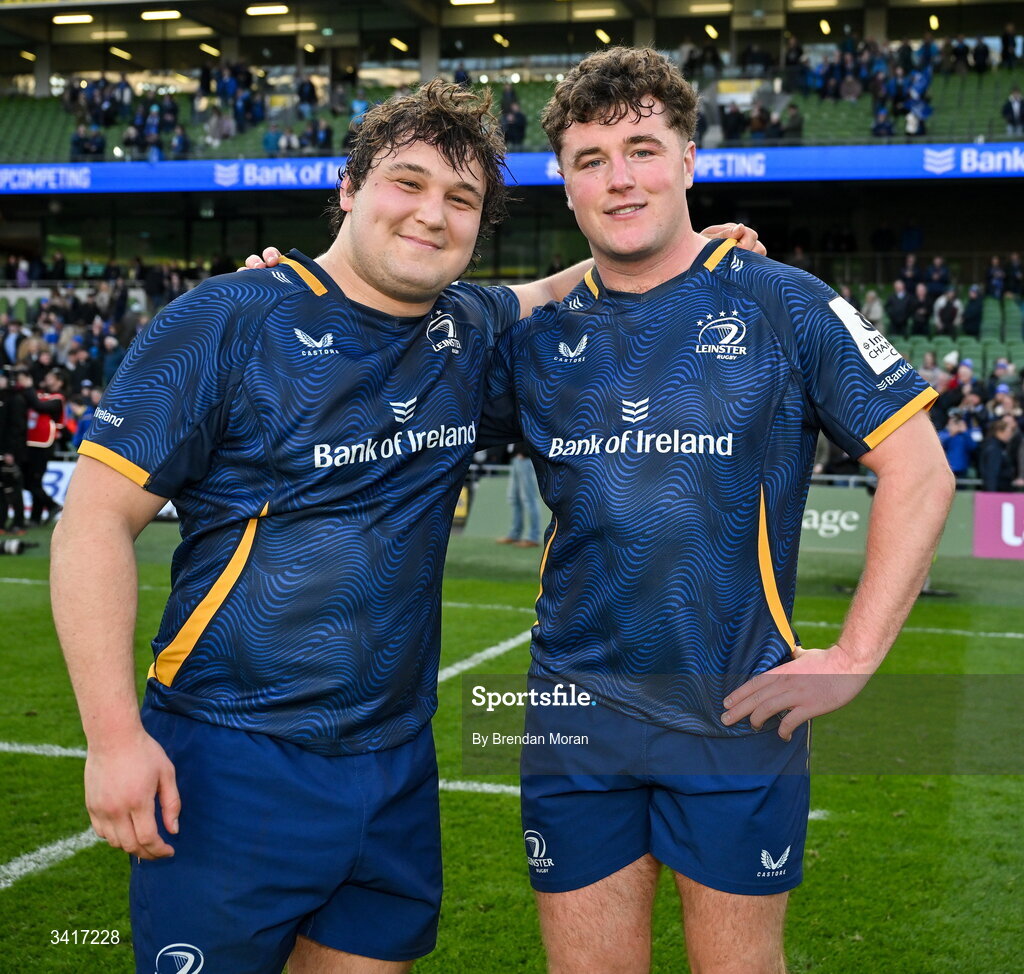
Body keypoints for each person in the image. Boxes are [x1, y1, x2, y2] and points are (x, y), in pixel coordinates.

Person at [53, 79, 759, 974]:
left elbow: (556, 284)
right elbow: (93, 523)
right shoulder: (225, 319)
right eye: (407, 182)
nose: (432, 214)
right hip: (232, 759)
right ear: (349, 188)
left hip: (393, 769)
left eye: (460, 199)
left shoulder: (464, 330)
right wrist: (114, 738)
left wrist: (698, 247)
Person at [476, 47, 953, 974]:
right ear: (563, 184)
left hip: (738, 711)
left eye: (644, 150)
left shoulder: (787, 303)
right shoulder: (536, 341)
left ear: (690, 160)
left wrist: (854, 658)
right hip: (574, 714)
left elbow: (920, 471)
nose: (621, 179)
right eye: (591, 161)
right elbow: (395, 354)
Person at [496, 441, 540, 547]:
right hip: (516, 458)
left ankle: (533, 537)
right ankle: (515, 534)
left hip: (526, 458)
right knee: (515, 499)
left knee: (530, 499)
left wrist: (525, 452)